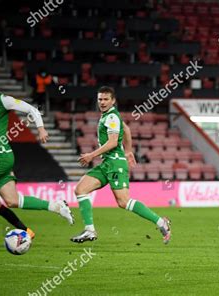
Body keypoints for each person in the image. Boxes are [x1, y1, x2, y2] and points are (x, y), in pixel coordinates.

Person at [70, 86, 171, 244]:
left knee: (123, 202)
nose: (102, 102)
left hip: (115, 163)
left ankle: (160, 222)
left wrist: (91, 155)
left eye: (105, 99)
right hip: (107, 163)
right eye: (100, 99)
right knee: (81, 189)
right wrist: (129, 150)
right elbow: (127, 130)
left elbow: (112, 142)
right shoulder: (109, 116)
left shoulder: (111, 117)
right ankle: (89, 230)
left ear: (113, 100)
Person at [0, 93, 74, 229]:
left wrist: (41, 129)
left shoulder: (3, 100)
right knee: (12, 201)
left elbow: (32, 110)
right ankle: (56, 206)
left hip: (0, 156)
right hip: (4, 159)